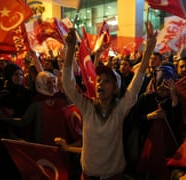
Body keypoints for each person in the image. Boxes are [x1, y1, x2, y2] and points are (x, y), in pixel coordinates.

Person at [62, 21, 156, 179]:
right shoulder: (88, 107)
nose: (100, 83)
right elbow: (68, 84)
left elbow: (136, 85)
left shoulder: (120, 110)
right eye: (99, 80)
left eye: (107, 81)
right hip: (88, 175)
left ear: (115, 88)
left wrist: (148, 51)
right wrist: (71, 49)